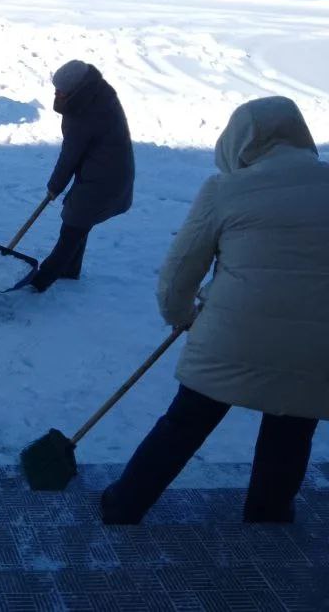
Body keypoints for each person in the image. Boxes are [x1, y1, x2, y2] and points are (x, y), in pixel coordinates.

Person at [102, 96, 329, 525]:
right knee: (292, 430)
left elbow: (180, 272)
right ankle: (268, 519)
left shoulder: (225, 190)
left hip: (233, 337)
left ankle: (124, 504)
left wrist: (181, 315)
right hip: (317, 347)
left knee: (185, 423)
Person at [25, 60, 134, 292]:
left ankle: (42, 280)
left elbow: (69, 156)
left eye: (61, 91)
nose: (56, 93)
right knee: (80, 221)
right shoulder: (97, 93)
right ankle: (70, 269)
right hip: (109, 169)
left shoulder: (84, 114)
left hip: (104, 179)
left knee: (73, 227)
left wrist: (55, 186)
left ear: (76, 90)